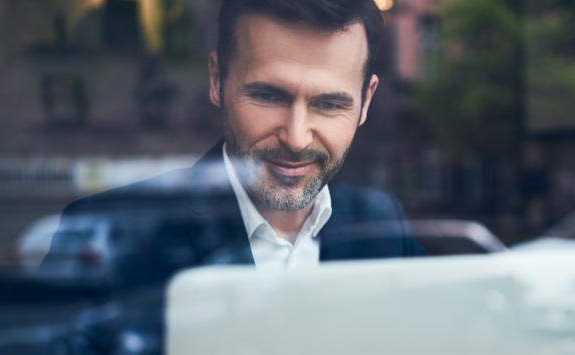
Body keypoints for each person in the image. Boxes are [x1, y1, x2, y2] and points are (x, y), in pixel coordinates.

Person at [39, 0, 425, 352]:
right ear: (216, 80)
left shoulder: (379, 223)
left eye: (329, 104)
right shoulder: (108, 234)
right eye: (268, 96)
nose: (296, 137)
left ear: (366, 101)